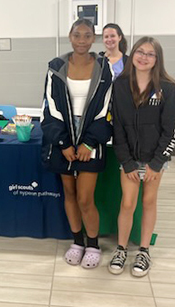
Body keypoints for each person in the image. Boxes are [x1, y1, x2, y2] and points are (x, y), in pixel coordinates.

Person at [41, 19, 113, 269]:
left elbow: (107, 110)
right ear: (70, 37)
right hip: (64, 136)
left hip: (91, 137)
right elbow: (49, 107)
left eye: (87, 36)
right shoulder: (56, 66)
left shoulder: (104, 67)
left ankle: (93, 244)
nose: (82, 40)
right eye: (77, 35)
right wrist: (63, 143)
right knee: (69, 193)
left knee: (85, 197)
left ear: (93, 39)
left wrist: (90, 143)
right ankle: (77, 241)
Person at [109, 37, 175, 277]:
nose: (144, 57)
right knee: (127, 203)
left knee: (148, 202)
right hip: (129, 158)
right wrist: (126, 161)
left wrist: (157, 163)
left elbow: (171, 131)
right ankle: (121, 249)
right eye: (140, 52)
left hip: (155, 158)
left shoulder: (167, 88)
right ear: (132, 54)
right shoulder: (120, 85)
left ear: (157, 60)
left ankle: (144, 251)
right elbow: (117, 127)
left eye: (150, 54)